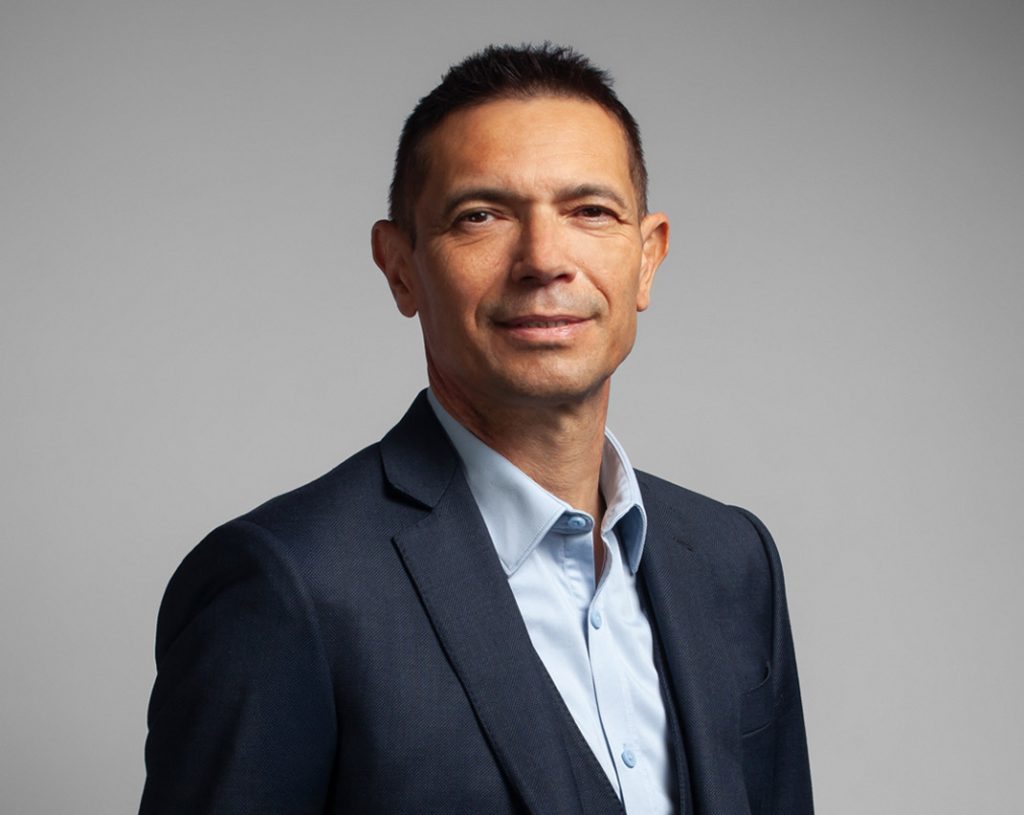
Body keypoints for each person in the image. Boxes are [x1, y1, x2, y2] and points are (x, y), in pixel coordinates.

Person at [140, 43, 813, 815]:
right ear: (401, 267)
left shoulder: (732, 560)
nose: (544, 260)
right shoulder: (286, 584)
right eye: (481, 216)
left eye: (590, 211)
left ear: (647, 258)